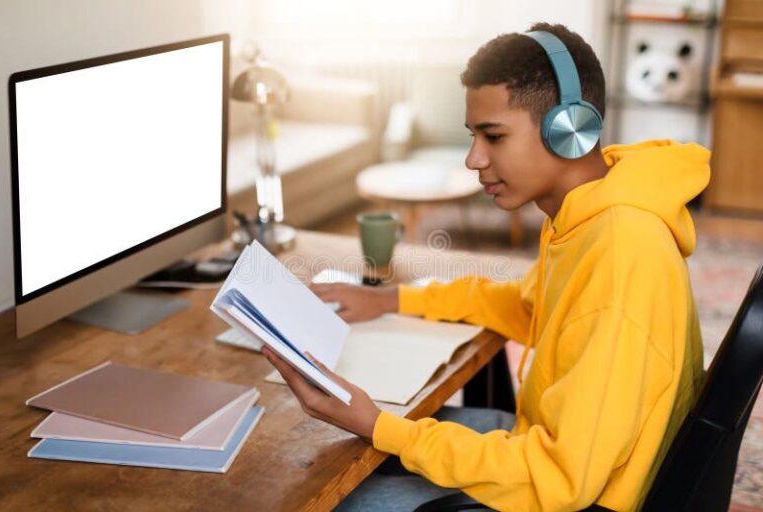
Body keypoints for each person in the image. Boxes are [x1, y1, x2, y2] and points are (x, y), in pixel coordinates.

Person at [262, 22, 710, 512]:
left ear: (570, 129)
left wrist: (377, 426)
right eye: (474, 136)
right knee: (367, 443)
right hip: (564, 455)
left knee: (336, 496)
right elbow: (526, 305)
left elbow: (562, 479)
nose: (475, 159)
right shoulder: (588, 214)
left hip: (580, 493)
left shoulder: (623, 252)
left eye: (493, 137)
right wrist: (392, 299)